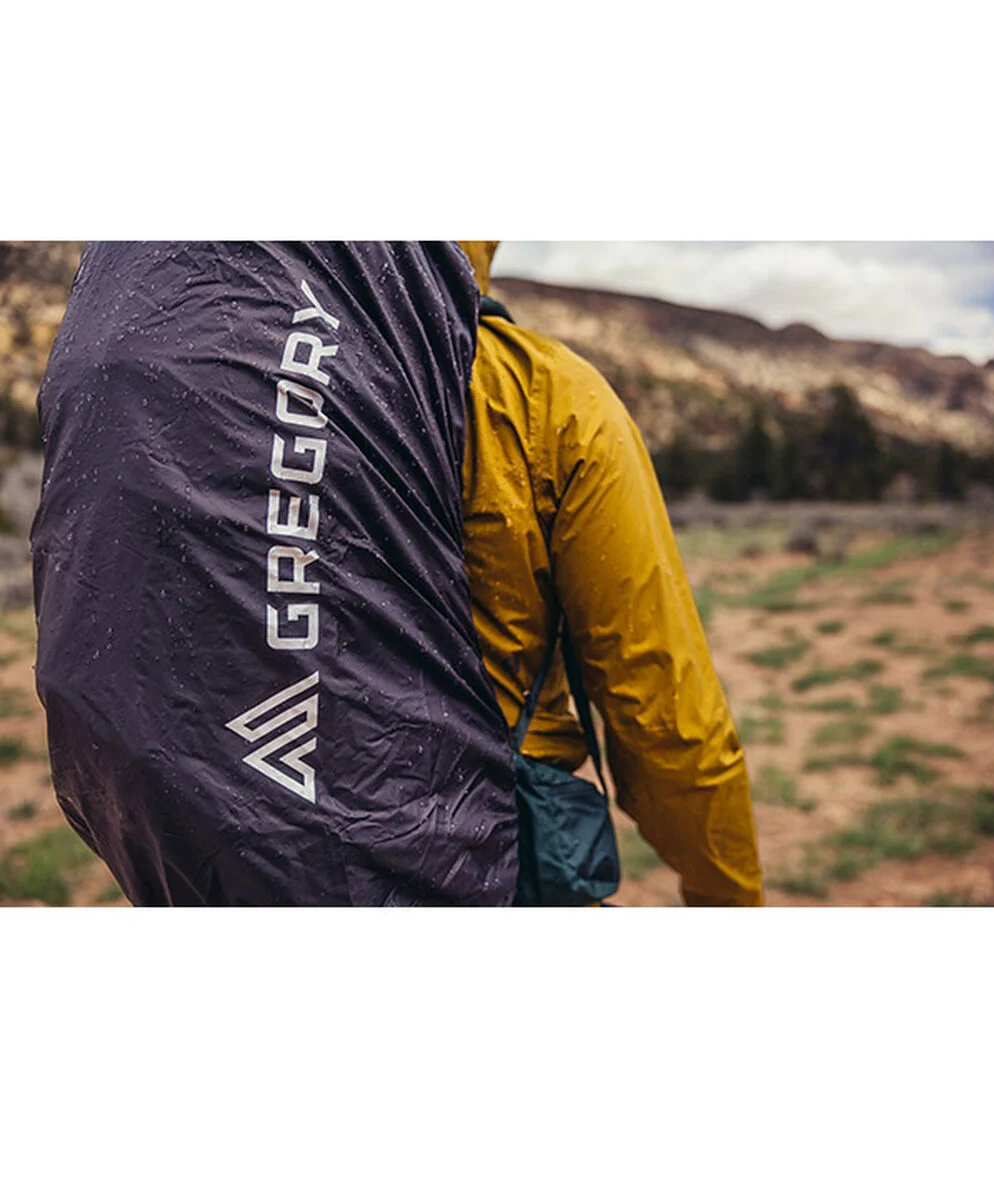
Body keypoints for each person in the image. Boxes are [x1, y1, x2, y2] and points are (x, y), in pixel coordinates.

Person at [32, 242, 519, 906]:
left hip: (162, 824)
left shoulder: (143, 323)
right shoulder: (527, 389)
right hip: (460, 819)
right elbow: (647, 681)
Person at [457, 242, 763, 906]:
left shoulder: (224, 374)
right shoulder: (543, 394)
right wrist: (730, 902)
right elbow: (667, 719)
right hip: (487, 854)